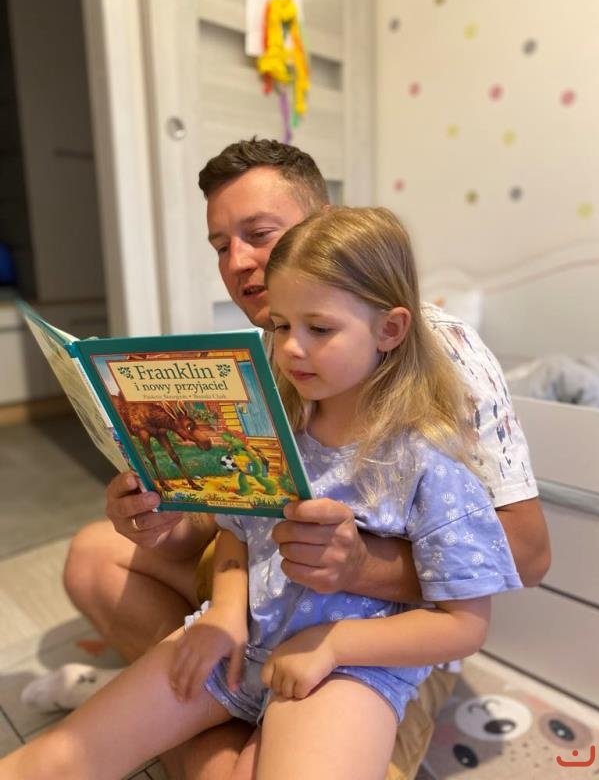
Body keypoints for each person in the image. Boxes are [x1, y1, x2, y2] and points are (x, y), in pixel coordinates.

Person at [25, 139, 549, 780]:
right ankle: (204, 713)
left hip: (372, 645)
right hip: (264, 605)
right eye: (221, 245)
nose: (238, 262)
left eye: (260, 234)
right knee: (93, 563)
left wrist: (357, 568)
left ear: (324, 224)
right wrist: (163, 509)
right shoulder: (277, 361)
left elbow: (519, 561)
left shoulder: (434, 379)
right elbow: (238, 520)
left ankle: (205, 729)